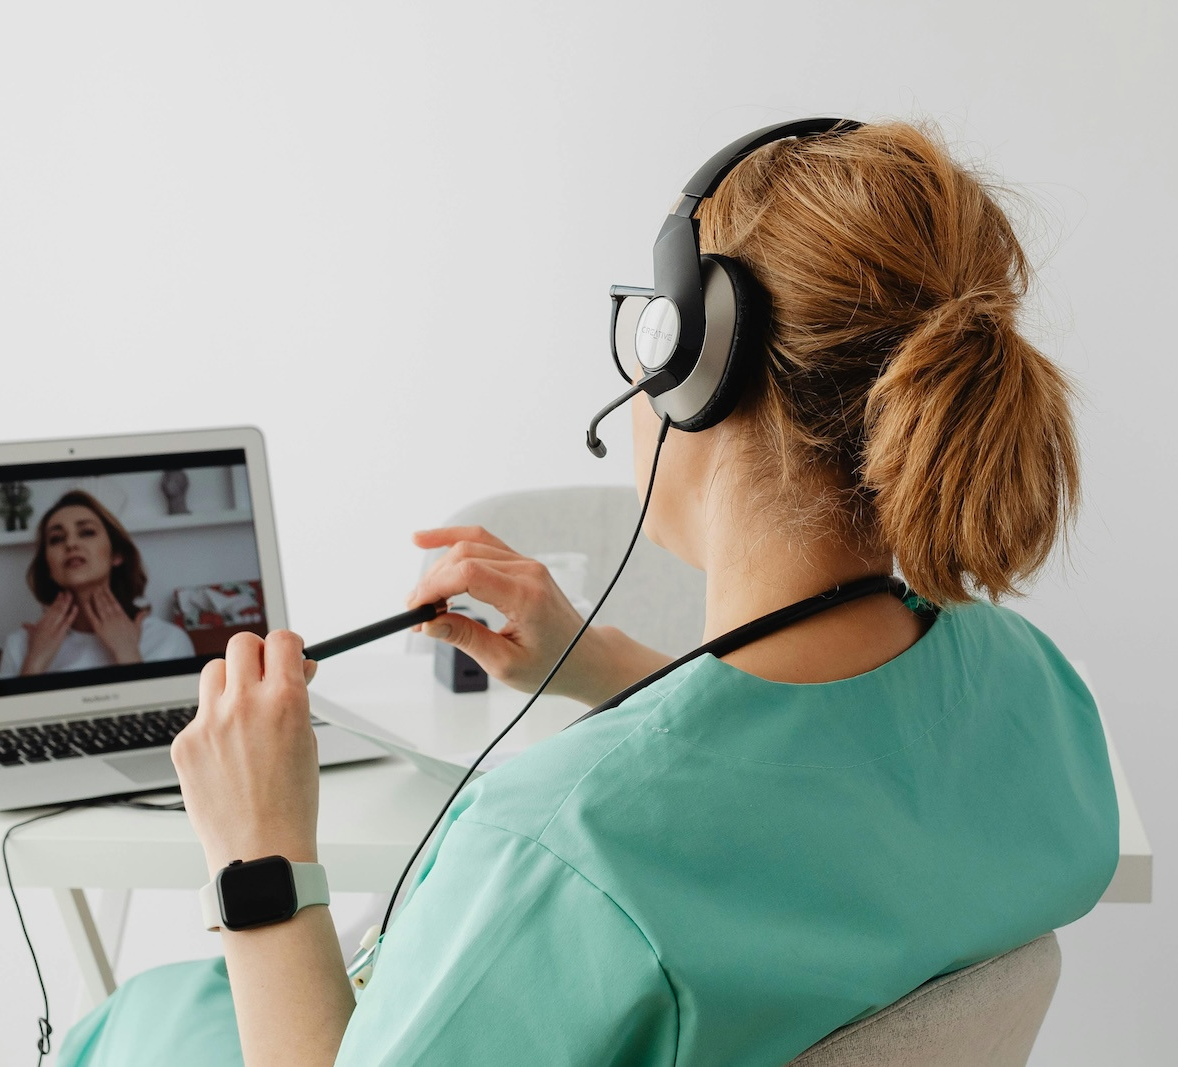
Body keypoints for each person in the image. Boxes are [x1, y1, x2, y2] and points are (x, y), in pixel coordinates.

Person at [61, 121, 1115, 1066]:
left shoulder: (560, 854)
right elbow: (815, 793)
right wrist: (605, 663)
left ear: (701, 362)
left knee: (131, 1019)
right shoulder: (1028, 692)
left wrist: (258, 849)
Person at [0, 489, 194, 679]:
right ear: (48, 565)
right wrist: (35, 663)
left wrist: (128, 656)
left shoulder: (169, 641)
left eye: (87, 532)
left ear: (116, 554)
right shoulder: (20, 645)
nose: (71, 544)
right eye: (56, 539)